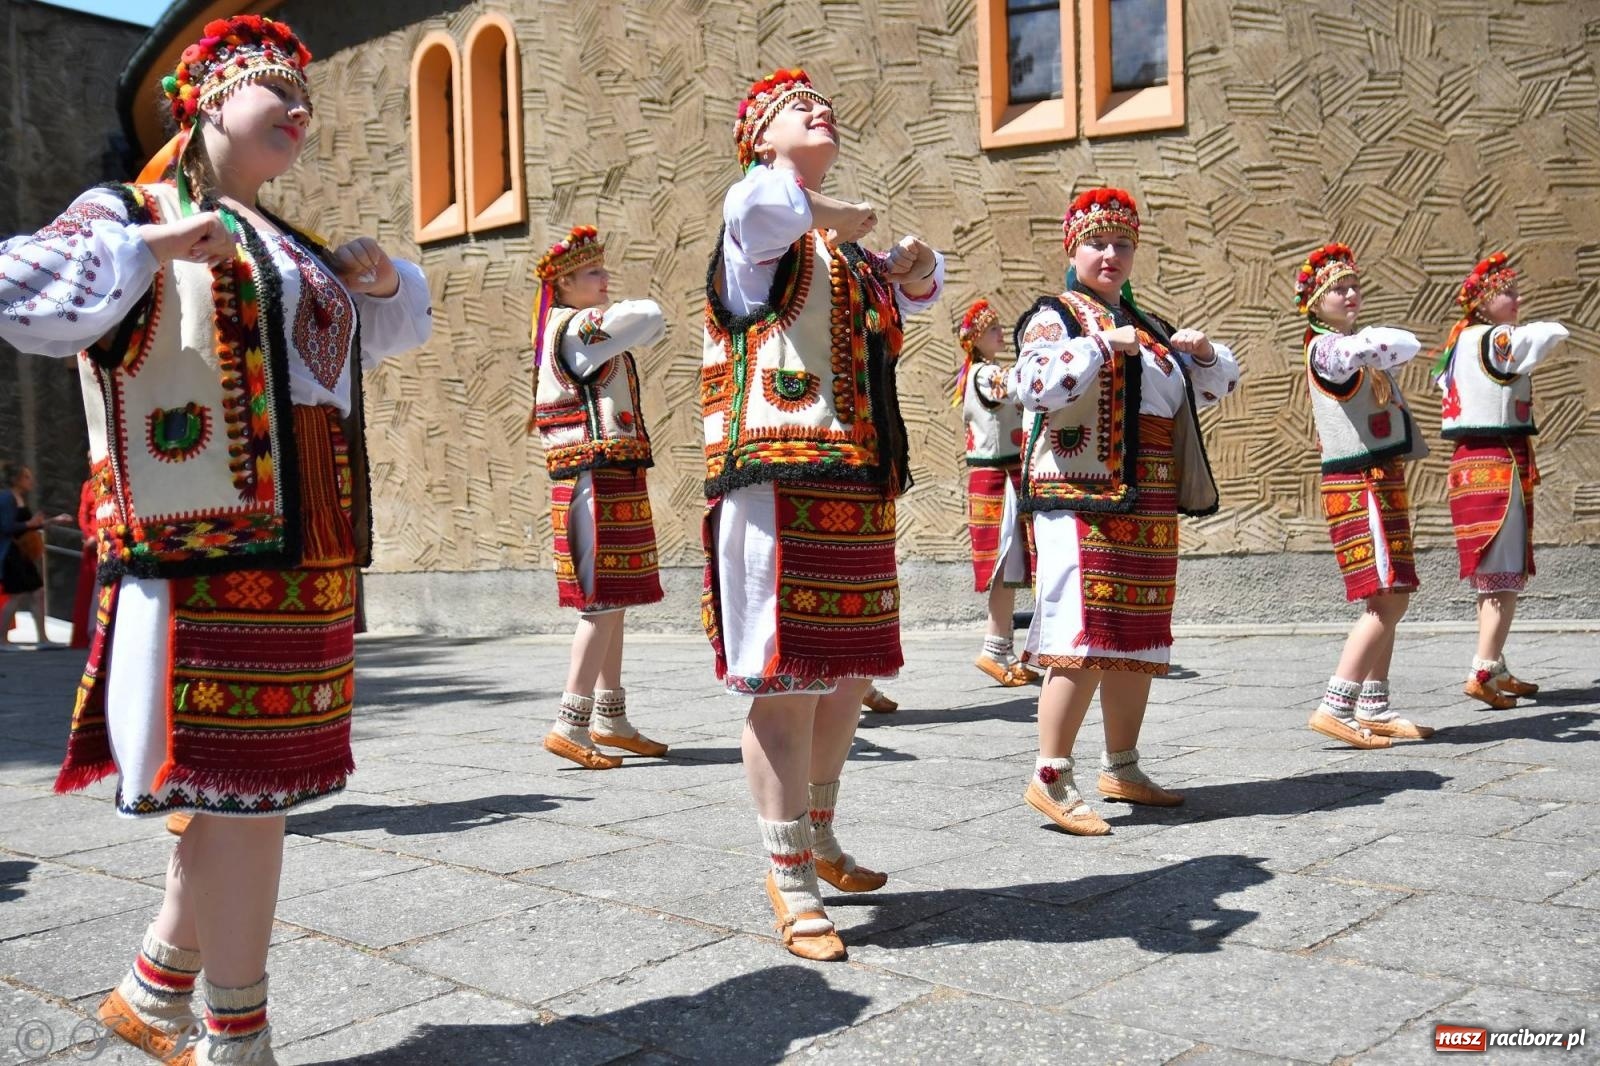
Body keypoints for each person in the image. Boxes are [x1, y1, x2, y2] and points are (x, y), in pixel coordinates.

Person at [0, 16, 432, 1064]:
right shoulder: (133, 210)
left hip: (304, 557)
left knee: (252, 800)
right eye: (274, 85)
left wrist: (379, 283)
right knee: (239, 804)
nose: (300, 105)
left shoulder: (289, 240)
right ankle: (239, 1040)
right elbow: (16, 286)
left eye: (305, 91)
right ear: (201, 103)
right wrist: (138, 248)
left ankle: (155, 993)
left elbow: (382, 339)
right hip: (207, 560)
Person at [702, 68, 945, 960]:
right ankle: (788, 871)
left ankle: (821, 830)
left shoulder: (836, 247)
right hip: (777, 476)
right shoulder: (756, 224)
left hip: (854, 475)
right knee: (788, 675)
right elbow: (770, 211)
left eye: (826, 104)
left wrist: (915, 269)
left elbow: (913, 299)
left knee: (845, 674)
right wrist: (835, 214)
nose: (821, 110)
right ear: (761, 139)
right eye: (796, 108)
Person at [1011, 187, 1240, 834]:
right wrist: (1102, 348)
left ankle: (1123, 765)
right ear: (1072, 248)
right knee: (1082, 635)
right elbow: (1030, 383)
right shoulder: (1055, 316)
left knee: (1136, 636)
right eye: (1097, 243)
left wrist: (1197, 353)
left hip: (1148, 497)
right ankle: (1050, 775)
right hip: (1083, 496)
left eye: (1121, 244)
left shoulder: (1149, 324)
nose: (1110, 254)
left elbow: (1215, 384)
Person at [528, 225, 670, 768]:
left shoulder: (575, 329)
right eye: (593, 272)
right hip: (592, 471)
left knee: (616, 597)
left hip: (610, 469)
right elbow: (649, 317)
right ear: (563, 284)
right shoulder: (575, 329)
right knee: (602, 601)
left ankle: (610, 716)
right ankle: (570, 721)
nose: (605, 277)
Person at [1296, 243, 1432, 749]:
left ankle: (1374, 703)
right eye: (1337, 288)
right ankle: (1336, 703)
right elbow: (1383, 347)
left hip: (1380, 477)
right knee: (1385, 595)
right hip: (1359, 484)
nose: (1350, 294)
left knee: (1393, 593)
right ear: (1314, 301)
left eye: (1354, 286)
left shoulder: (1353, 344)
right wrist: (1369, 340)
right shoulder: (1328, 348)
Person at [1434, 253, 1567, 707]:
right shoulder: (1495, 340)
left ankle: (1498, 663)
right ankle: (1483, 669)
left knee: (1490, 577)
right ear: (1484, 303)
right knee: (1503, 578)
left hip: (1466, 465)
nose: (1518, 299)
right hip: (1496, 466)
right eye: (1507, 293)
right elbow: (1548, 335)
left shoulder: (1458, 344)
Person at [955, 297, 1037, 687]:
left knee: (1012, 564)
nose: (1001, 334)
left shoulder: (981, 372)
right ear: (974, 339)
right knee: (1005, 563)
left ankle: (1003, 647)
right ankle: (993, 647)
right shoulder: (984, 375)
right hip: (995, 479)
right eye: (993, 329)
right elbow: (1016, 388)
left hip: (1003, 476)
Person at [0, 464, 73, 648]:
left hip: (21, 553)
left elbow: (28, 525)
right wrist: (31, 523)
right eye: (27, 477)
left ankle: (43, 638)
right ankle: (2, 639)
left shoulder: (18, 498)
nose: (31, 481)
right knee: (17, 595)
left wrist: (52, 520)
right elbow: (7, 527)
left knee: (37, 593)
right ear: (17, 479)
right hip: (12, 553)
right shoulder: (8, 498)